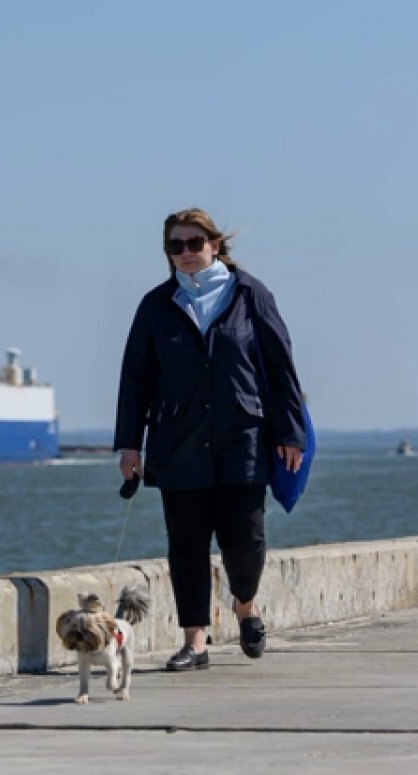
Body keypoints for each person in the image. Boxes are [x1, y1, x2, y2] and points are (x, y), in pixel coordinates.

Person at [114, 208, 306, 671]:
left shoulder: (250, 294)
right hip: (177, 440)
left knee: (245, 540)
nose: (186, 253)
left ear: (215, 245)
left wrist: (290, 431)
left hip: (243, 436)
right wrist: (129, 444)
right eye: (176, 246)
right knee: (186, 544)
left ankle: (245, 604)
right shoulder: (156, 306)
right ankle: (195, 642)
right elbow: (136, 379)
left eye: (194, 243)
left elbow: (280, 366)